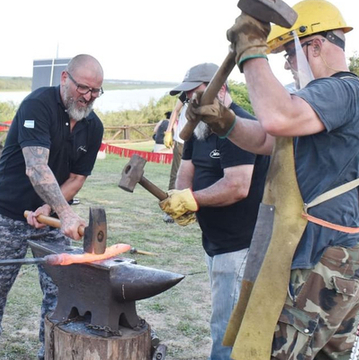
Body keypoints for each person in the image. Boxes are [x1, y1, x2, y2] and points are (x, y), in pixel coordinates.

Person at [187, 0, 359, 358]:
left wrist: (251, 49)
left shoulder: (341, 90)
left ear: (315, 46)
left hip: (328, 258)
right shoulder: (321, 104)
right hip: (338, 256)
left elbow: (276, 117)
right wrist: (223, 121)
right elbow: (264, 138)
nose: (288, 64)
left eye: (290, 53)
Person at [0, 54, 104, 360]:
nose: (88, 96)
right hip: (8, 213)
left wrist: (50, 210)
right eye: (83, 88)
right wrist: (67, 212)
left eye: (95, 91)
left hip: (52, 220)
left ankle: (51, 352)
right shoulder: (38, 105)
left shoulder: (93, 126)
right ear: (65, 79)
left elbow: (76, 178)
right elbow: (36, 168)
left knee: (61, 290)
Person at [159, 63, 268, 360]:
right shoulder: (199, 127)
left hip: (240, 246)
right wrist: (181, 197)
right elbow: (186, 170)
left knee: (227, 330)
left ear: (219, 90)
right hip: (215, 244)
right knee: (223, 319)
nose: (188, 105)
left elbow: (237, 186)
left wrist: (193, 201)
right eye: (185, 99)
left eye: (193, 96)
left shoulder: (241, 128)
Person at [162, 63, 218, 223]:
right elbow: (175, 110)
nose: (188, 96)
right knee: (177, 174)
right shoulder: (185, 96)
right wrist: (168, 131)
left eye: (192, 91)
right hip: (183, 138)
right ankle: (172, 209)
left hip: (198, 134)